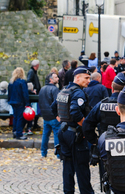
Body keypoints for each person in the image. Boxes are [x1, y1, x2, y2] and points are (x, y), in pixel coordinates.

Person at [51, 66, 94, 194]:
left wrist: (63, 121)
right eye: (86, 78)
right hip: (75, 135)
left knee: (68, 167)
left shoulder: (64, 90)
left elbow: (54, 108)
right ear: (78, 77)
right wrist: (85, 127)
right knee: (82, 168)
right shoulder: (78, 92)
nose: (88, 81)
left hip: (63, 133)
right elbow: (75, 112)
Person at [83, 73, 125, 191]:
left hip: (106, 146)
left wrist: (95, 141)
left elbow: (87, 125)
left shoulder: (102, 105)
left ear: (112, 88)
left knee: (107, 178)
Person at [39, 73, 60, 158]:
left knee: (45, 135)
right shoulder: (54, 89)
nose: (57, 78)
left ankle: (43, 153)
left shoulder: (42, 89)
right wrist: (57, 115)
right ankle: (58, 153)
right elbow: (57, 103)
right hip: (53, 116)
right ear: (51, 80)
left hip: (45, 115)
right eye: (55, 77)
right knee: (57, 134)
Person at [8, 67, 30, 140]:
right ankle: (19, 133)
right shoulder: (22, 82)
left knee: (15, 117)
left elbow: (9, 93)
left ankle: (15, 131)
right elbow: (25, 93)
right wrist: (27, 103)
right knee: (20, 118)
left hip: (13, 101)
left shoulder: (11, 82)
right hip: (20, 102)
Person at [27, 60, 41, 130]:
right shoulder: (31, 72)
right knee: (34, 108)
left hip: (35, 93)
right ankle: (33, 124)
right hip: (34, 94)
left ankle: (34, 123)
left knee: (36, 108)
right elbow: (29, 81)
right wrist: (33, 89)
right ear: (37, 65)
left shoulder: (33, 72)